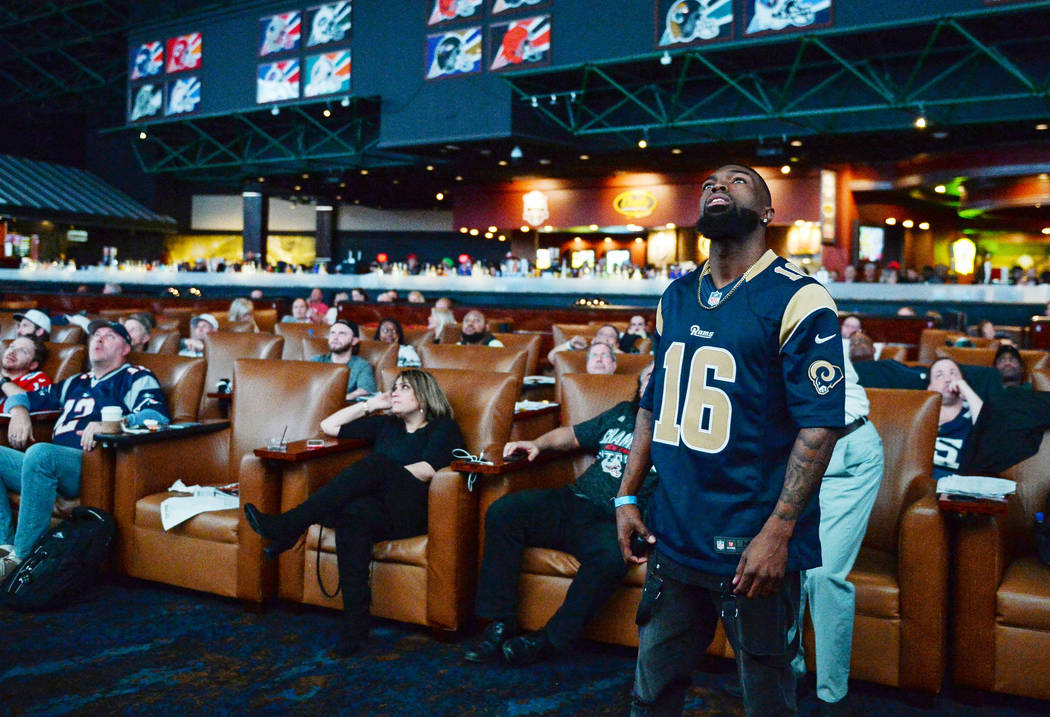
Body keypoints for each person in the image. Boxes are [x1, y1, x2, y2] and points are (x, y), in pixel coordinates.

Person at [614, 164, 846, 716]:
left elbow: (820, 425)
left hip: (751, 545)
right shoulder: (674, 295)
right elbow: (654, 401)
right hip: (674, 534)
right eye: (709, 183)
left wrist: (779, 530)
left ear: (768, 212)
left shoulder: (801, 298)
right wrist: (626, 495)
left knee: (766, 698)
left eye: (738, 181)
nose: (717, 185)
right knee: (651, 694)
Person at [244, 369, 464, 655]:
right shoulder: (387, 425)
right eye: (394, 387)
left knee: (374, 467)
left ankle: (291, 523)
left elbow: (428, 470)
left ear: (423, 396)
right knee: (354, 515)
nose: (395, 392)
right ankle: (355, 627)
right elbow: (329, 425)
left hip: (414, 510)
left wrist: (381, 476)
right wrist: (370, 405)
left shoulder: (443, 428)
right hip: (378, 509)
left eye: (404, 388)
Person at [465, 364, 657, 666]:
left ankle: (549, 641)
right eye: (649, 376)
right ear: (640, 385)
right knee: (505, 512)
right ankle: (499, 622)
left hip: (615, 520)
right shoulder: (621, 413)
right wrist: (537, 444)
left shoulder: (679, 432)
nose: (656, 380)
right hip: (574, 501)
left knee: (611, 557)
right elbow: (573, 436)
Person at [0, 320, 169, 575]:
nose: (99, 339)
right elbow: (27, 397)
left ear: (125, 348)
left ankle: (22, 560)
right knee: (37, 456)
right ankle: (4, 545)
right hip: (48, 465)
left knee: (40, 453)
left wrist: (110, 424)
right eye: (95, 335)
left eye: (109, 336)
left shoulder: (135, 376)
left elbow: (156, 416)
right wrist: (20, 412)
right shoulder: (75, 382)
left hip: (91, 463)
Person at [792, 348, 883, 714]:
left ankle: (832, 694)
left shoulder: (814, 326)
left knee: (824, 574)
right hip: (798, 457)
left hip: (848, 455)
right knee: (786, 565)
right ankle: (785, 674)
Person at [928, 357, 983, 480]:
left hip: (957, 485)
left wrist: (967, 391)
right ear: (930, 387)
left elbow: (989, 430)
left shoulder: (973, 411)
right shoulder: (919, 414)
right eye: (939, 375)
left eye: (953, 373)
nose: (948, 379)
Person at [311, 319, 377, 400]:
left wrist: (340, 400)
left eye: (342, 333)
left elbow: (366, 390)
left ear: (354, 341)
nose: (335, 337)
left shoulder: (362, 366)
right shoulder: (316, 361)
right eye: (332, 333)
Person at [0, 337, 51, 413]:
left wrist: (2, 380)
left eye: (23, 351)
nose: (12, 352)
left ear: (33, 365)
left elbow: (37, 402)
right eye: (12, 346)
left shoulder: (37, 378)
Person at [547, 324, 620, 364]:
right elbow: (552, 358)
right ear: (594, 339)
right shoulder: (582, 354)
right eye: (601, 334)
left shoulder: (620, 358)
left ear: (617, 345)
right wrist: (570, 345)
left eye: (611, 336)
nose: (605, 339)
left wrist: (614, 351)